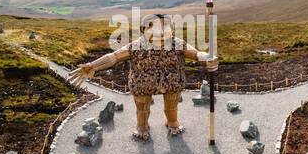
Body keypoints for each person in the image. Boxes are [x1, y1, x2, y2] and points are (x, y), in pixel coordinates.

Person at [72, 14, 217, 140]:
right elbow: (113, 57)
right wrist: (93, 65)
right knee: (142, 107)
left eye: (166, 27)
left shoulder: (177, 43)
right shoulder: (136, 46)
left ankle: (172, 122)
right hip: (142, 83)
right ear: (144, 30)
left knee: (172, 104)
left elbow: (196, 54)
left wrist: (207, 58)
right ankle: (142, 126)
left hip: (172, 81)